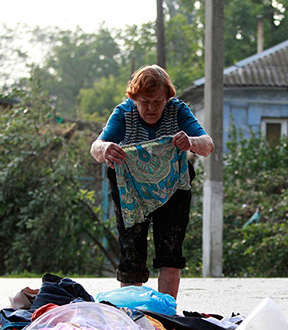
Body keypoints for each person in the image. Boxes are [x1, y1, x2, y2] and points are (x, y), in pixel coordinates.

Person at [90, 65, 214, 300]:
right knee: (131, 254)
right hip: (130, 192)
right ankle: (131, 316)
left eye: (157, 101)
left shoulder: (178, 111)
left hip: (172, 190)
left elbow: (207, 144)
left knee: (170, 253)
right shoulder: (123, 114)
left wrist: (190, 142)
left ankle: (166, 316)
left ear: (168, 97)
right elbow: (96, 147)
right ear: (134, 98)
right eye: (145, 101)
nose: (151, 108)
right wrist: (105, 149)